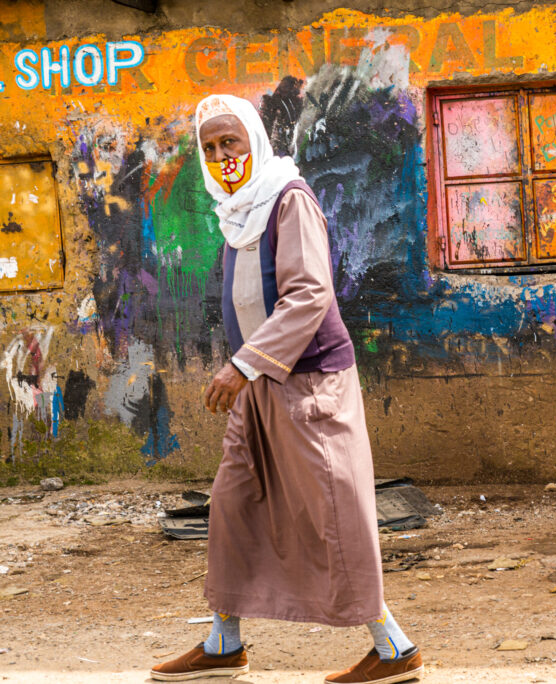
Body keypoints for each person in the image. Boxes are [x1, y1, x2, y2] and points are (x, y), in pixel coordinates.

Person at [150, 94, 424, 683]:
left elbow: (309, 294)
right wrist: (247, 369)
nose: (221, 156)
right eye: (209, 147)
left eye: (230, 141)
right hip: (259, 385)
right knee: (233, 504)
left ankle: (393, 648)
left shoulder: (286, 198)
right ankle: (224, 643)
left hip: (310, 383)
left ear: (254, 139)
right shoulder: (237, 214)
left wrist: (242, 364)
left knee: (333, 512)